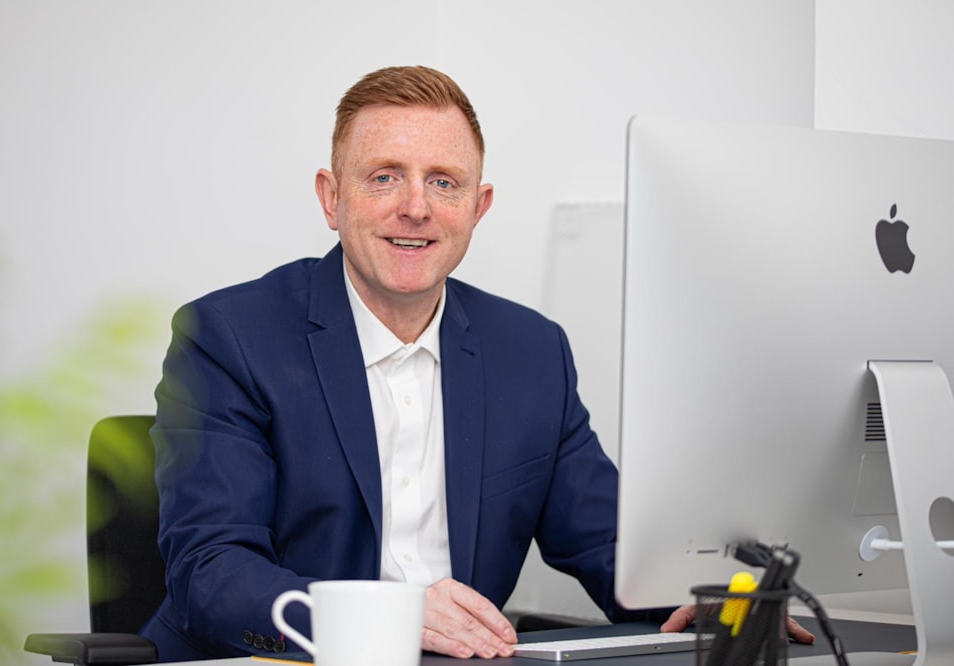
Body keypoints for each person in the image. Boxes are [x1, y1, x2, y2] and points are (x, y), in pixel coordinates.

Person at [140, 65, 813, 662]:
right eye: (384, 178)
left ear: (477, 207)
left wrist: (696, 604)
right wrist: (390, 619)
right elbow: (212, 572)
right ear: (331, 198)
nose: (416, 207)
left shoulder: (530, 351)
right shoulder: (229, 337)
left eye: (444, 182)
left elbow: (606, 543)